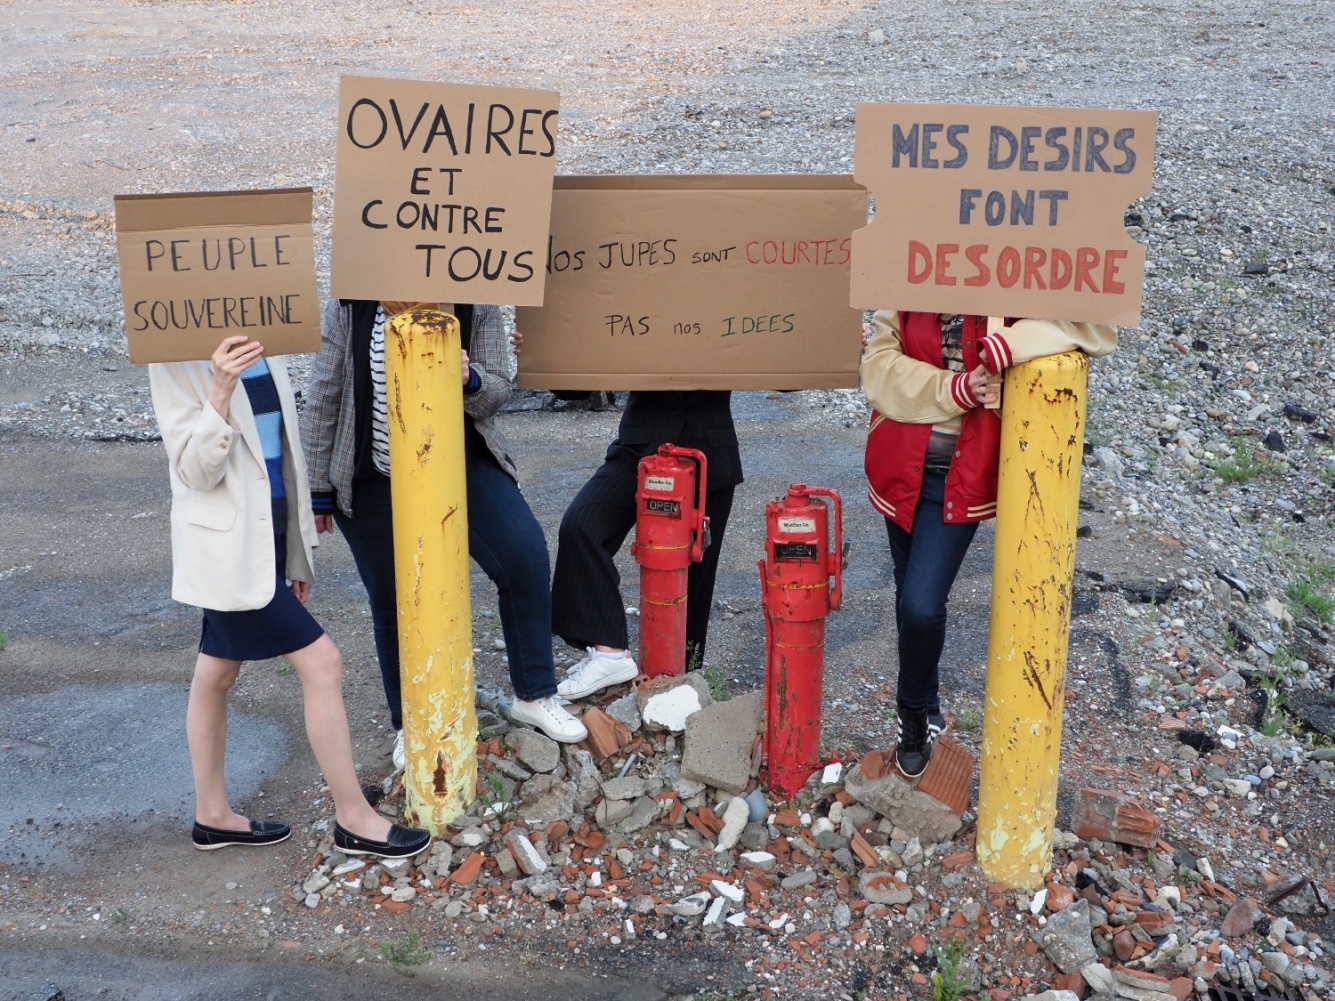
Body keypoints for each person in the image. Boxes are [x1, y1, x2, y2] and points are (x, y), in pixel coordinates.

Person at [150, 335, 430, 858]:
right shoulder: (173, 352)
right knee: (322, 663)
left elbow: (282, 452)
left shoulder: (264, 336)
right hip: (229, 551)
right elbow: (193, 469)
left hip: (265, 542)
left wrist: (295, 549)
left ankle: (211, 815)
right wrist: (219, 387)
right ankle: (354, 819)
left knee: (216, 672)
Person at [302, 301, 587, 764]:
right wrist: (317, 488)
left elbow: (497, 392)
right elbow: (324, 394)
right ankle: (410, 723)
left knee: (524, 556)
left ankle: (534, 695)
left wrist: (468, 378)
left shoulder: (475, 295)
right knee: (393, 600)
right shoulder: (350, 304)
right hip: (373, 474)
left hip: (460, 461)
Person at [859, 313, 1116, 778]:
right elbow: (877, 368)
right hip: (898, 465)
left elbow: (1095, 328)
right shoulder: (908, 274)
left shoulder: (1013, 280)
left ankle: (912, 713)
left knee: (921, 605)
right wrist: (957, 390)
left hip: (962, 474)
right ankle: (929, 706)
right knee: (908, 596)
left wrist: (1013, 345)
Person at [549, 390, 742, 698]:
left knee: (695, 579)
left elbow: (786, 370)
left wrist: (811, 343)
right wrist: (543, 355)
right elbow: (575, 383)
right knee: (581, 526)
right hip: (638, 450)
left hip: (710, 455)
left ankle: (684, 684)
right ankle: (609, 652)